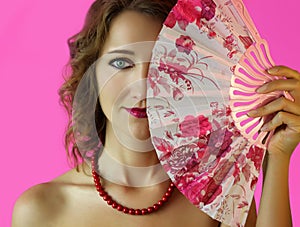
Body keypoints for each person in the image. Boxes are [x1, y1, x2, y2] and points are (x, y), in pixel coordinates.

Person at [12, 0, 300, 226]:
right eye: (121, 63)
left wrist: (277, 157)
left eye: (164, 68)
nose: (141, 87)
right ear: (92, 72)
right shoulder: (41, 209)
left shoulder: (216, 197)